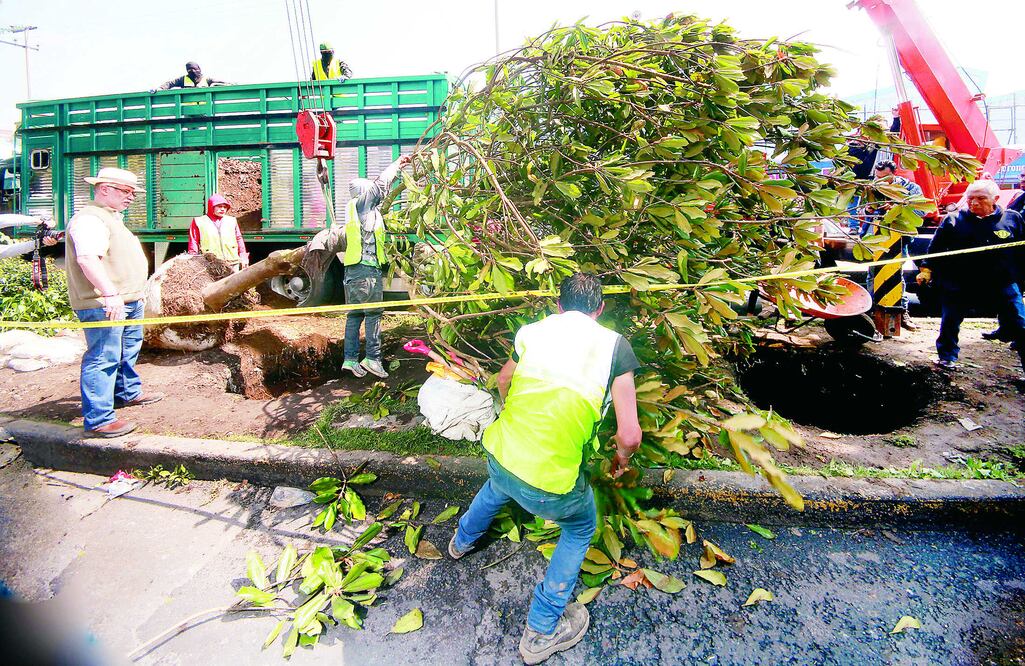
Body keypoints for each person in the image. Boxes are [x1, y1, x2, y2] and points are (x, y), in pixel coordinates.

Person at [449, 273, 643, 665]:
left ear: (558, 306)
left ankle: (460, 542)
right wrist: (622, 461)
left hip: (502, 453)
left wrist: (512, 413)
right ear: (600, 309)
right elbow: (630, 435)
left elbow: (504, 378)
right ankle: (540, 630)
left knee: (497, 486)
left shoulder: (532, 331)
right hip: (551, 484)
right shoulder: (615, 347)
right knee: (580, 527)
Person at [65, 167, 163, 437]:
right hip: (104, 304)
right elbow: (87, 259)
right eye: (126, 191)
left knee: (127, 351)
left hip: (128, 299)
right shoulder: (91, 219)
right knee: (103, 357)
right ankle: (99, 419)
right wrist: (110, 294)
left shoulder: (112, 218)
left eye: (133, 192)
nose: (131, 197)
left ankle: (126, 393)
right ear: (104, 189)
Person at [916, 180, 1025, 376]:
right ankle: (947, 356)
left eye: (981, 198)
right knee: (950, 321)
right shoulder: (953, 220)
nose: (974, 203)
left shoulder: (1013, 219)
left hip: (1002, 283)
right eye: (970, 199)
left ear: (995, 199)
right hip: (960, 283)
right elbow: (935, 249)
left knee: (1020, 324)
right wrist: (926, 268)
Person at [339, 154, 411, 378]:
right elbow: (381, 184)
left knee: (354, 316)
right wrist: (398, 163)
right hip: (366, 272)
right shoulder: (362, 205)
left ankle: (350, 360)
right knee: (373, 315)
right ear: (365, 193)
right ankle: (373, 358)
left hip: (353, 271)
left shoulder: (358, 211)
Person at [862, 160, 925, 331]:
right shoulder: (872, 188)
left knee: (897, 275)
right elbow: (861, 211)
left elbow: (921, 210)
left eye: (884, 177)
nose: (880, 180)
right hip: (875, 237)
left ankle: (901, 312)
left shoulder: (911, 188)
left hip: (898, 237)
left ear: (894, 174)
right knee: (872, 274)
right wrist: (868, 210)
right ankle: (872, 312)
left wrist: (897, 208)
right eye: (877, 177)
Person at [186, 193, 249, 270]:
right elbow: (194, 241)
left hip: (233, 262)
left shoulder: (231, 220)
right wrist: (193, 261)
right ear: (211, 207)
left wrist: (244, 257)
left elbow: (238, 238)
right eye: (219, 206)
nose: (222, 209)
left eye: (225, 207)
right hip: (211, 264)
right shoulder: (199, 221)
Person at [157, 62, 228, 90]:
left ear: (199, 69)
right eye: (189, 70)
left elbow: (220, 82)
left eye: (194, 69)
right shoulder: (183, 79)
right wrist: (160, 88)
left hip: (204, 109)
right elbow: (170, 83)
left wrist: (230, 84)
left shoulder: (206, 79)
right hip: (188, 110)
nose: (192, 71)